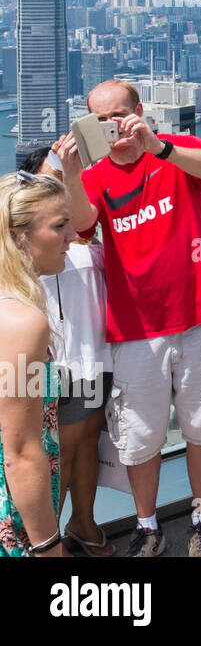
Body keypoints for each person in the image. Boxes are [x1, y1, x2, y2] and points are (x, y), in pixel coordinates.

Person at [56, 79, 201, 558]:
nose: (114, 126)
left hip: (198, 315)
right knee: (140, 437)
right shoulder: (95, 178)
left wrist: (157, 145)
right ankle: (146, 525)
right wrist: (72, 174)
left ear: (139, 110)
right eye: (102, 119)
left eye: (120, 114)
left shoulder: (178, 152)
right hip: (133, 327)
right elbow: (79, 226)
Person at [21, 148, 114, 556]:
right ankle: (49, 538)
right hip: (52, 365)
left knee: (87, 440)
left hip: (93, 355)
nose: (60, 182)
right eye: (51, 176)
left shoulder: (83, 234)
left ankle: (82, 520)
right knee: (56, 449)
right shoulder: (26, 247)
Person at [0, 171, 77, 556]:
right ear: (19, 237)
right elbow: (22, 452)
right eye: (60, 226)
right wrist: (49, 546)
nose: (73, 237)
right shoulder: (22, 323)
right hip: (13, 519)